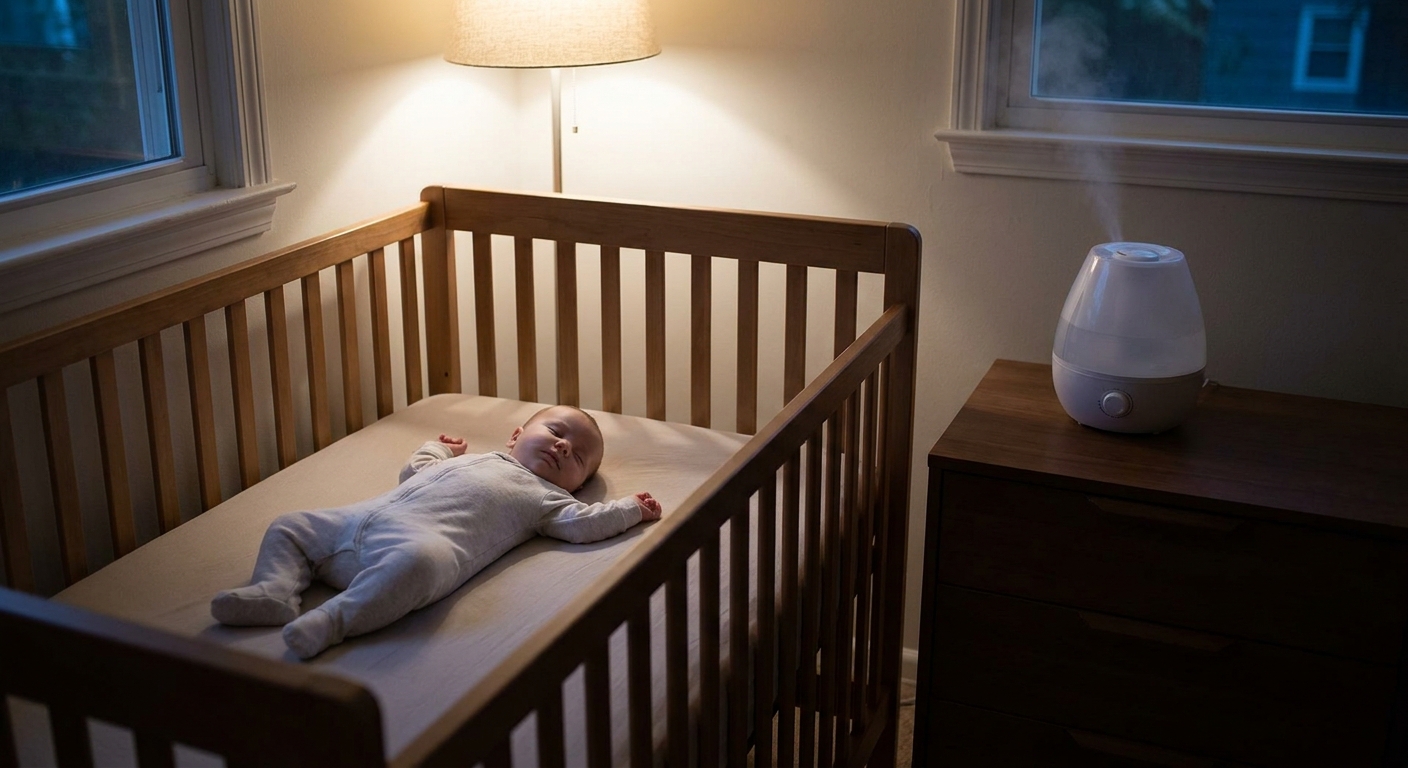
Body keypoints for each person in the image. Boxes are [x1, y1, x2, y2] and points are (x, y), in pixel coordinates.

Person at [210, 405, 662, 659]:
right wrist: (439, 448)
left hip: (413, 545)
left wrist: (627, 510)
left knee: (420, 566)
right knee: (291, 524)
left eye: (579, 457)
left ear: (578, 486)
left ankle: (334, 620)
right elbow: (415, 470)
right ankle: (273, 591)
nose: (565, 446)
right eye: (557, 431)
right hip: (356, 520)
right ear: (515, 434)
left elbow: (582, 526)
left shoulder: (549, 499)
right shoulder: (474, 459)